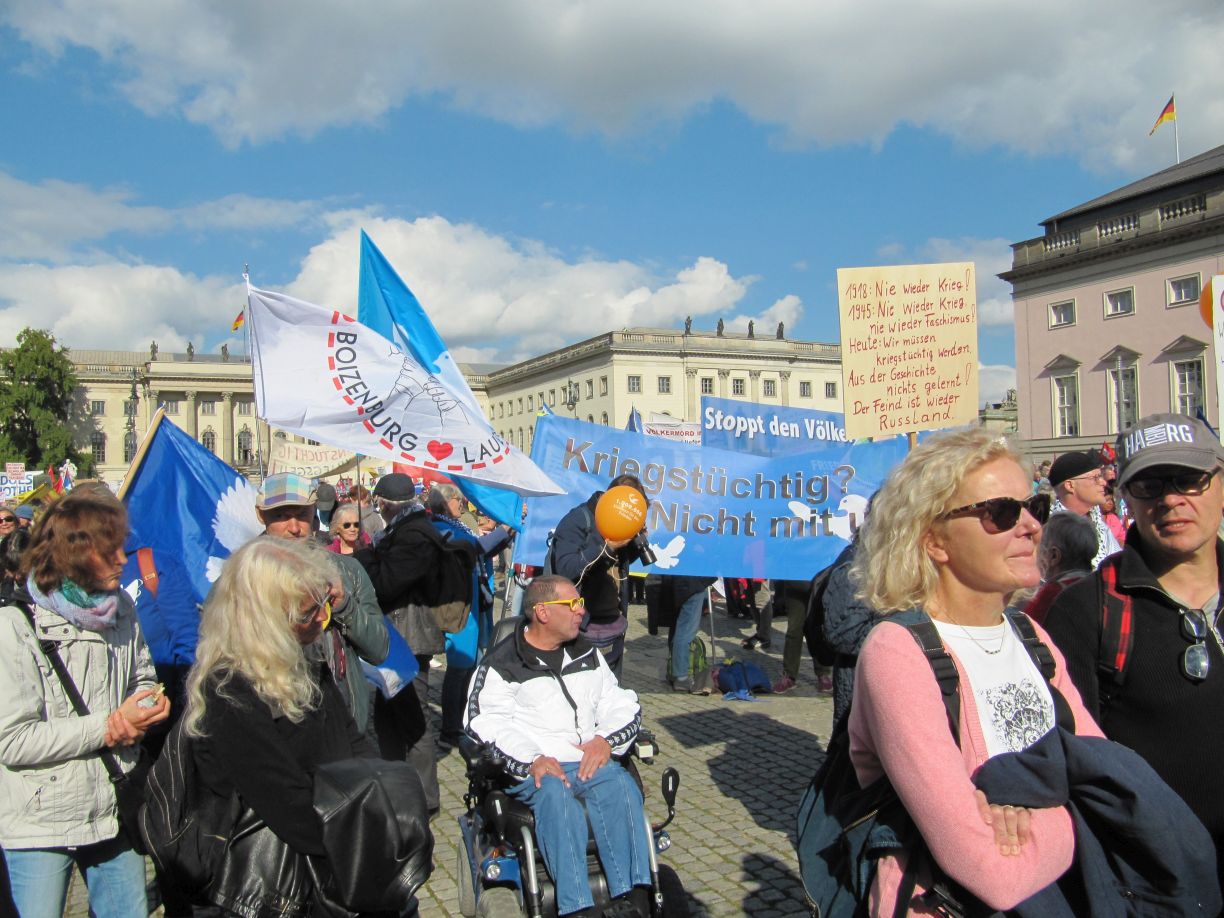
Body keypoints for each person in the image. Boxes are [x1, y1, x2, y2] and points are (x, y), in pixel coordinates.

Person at [849, 427, 1104, 914]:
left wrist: (1034, 820)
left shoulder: (1031, 633)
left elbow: (1108, 781)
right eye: (1001, 513)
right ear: (934, 541)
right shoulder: (898, 652)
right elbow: (994, 872)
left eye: (1037, 508)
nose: (1031, 526)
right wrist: (1071, 809)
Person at [184, 537, 418, 915]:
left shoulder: (305, 663)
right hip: (280, 885)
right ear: (267, 619)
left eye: (325, 608)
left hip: (335, 852)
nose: (324, 622)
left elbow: (354, 743)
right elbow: (287, 804)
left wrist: (386, 795)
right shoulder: (229, 691)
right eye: (311, 613)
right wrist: (365, 840)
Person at [1044, 412, 1224, 883]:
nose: (1171, 499)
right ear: (1125, 496)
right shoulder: (1087, 610)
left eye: (1190, 480)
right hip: (1157, 879)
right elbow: (1077, 765)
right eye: (1149, 485)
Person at [0, 492, 170, 917]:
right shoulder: (15, 626)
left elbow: (141, 676)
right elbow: (13, 740)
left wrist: (148, 704)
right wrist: (111, 726)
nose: (121, 559)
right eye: (108, 549)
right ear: (74, 554)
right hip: (39, 819)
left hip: (114, 804)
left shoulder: (122, 608)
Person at [466, 575, 651, 918]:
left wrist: (605, 740)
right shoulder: (503, 664)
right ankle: (576, 906)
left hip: (584, 756)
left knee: (620, 785)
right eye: (573, 605)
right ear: (543, 613)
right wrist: (532, 758)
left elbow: (619, 701)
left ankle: (634, 897)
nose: (582, 612)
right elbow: (485, 722)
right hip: (535, 764)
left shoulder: (587, 654)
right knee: (554, 794)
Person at [254, 473, 389, 737]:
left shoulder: (347, 571)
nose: (293, 527)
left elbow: (380, 648)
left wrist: (344, 606)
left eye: (301, 515)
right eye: (281, 516)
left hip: (341, 723)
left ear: (314, 514)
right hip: (274, 728)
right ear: (262, 516)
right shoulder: (242, 576)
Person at [426, 483, 512, 747]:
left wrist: (504, 534)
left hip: (472, 603)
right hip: (458, 607)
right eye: (457, 499)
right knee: (460, 667)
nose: (461, 504)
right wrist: (504, 529)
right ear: (444, 503)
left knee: (471, 666)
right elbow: (475, 548)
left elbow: (481, 549)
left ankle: (465, 721)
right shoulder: (440, 529)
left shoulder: (455, 526)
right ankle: (450, 730)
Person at [550, 474, 651, 677]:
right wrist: (607, 548)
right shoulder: (580, 519)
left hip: (613, 624)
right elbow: (566, 569)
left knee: (611, 693)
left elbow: (617, 567)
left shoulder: (622, 524)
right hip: (581, 626)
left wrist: (633, 544)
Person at [1048, 450, 1121, 568]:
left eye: (1101, 476)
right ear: (1070, 485)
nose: (1103, 482)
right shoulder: (1048, 531)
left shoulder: (1100, 526)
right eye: (1096, 477)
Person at [1022, 511, 1096, 626]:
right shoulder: (1100, 587)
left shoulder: (1052, 594)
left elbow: (1026, 630)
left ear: (1054, 556)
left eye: (1039, 548)